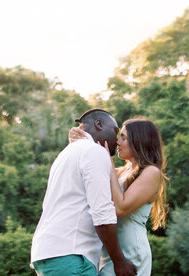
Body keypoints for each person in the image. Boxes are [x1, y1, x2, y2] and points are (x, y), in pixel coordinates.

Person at [31, 109, 137, 276]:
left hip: (50, 254)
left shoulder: (66, 153)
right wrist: (119, 261)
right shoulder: (94, 151)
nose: (117, 141)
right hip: (71, 255)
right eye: (115, 132)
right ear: (99, 125)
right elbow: (102, 212)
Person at [68, 116, 167, 276]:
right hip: (109, 255)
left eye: (123, 138)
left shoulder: (151, 172)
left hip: (131, 253)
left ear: (139, 141)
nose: (117, 142)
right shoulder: (120, 172)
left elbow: (120, 208)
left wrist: (109, 160)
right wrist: (79, 141)